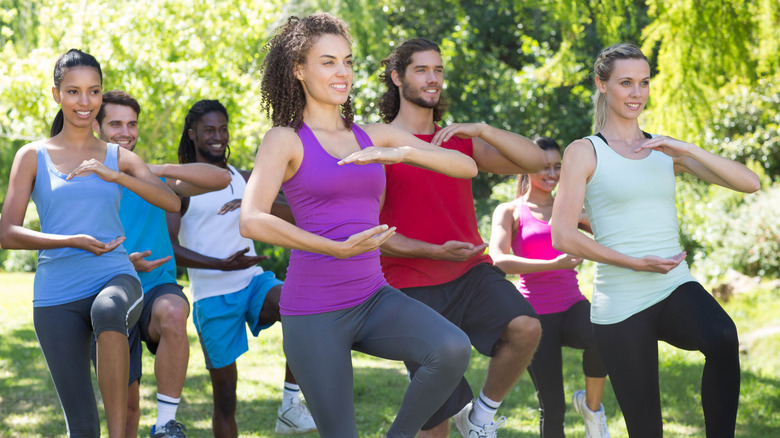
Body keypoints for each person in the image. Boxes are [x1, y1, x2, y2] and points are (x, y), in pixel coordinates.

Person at [240, 14, 478, 438]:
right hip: (314, 308)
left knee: (452, 348)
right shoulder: (285, 139)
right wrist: (332, 247)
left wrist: (401, 153)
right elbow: (251, 218)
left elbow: (466, 166)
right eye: (328, 62)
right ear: (299, 70)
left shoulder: (373, 136)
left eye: (347, 62)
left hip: (372, 296)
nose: (343, 72)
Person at [550, 43, 760, 438]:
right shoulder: (585, 151)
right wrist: (632, 262)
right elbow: (561, 235)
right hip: (622, 303)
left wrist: (686, 149)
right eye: (625, 83)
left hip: (673, 284)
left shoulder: (664, 150)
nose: (636, 93)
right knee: (647, 429)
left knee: (722, 336)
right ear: (602, 85)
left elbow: (750, 183)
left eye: (644, 83)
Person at [0, 49, 180, 437]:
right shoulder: (32, 155)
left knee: (109, 309)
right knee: (81, 426)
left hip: (113, 274)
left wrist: (116, 176)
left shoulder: (116, 156)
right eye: (74, 92)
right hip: (55, 294)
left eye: (93, 92)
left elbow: (171, 201)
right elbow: (7, 233)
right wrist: (72, 240)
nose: (85, 102)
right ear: (56, 94)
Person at [376, 38, 546, 437]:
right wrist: (435, 251)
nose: (433, 79)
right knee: (434, 430)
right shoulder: (378, 144)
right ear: (397, 77)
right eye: (421, 70)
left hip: (471, 274)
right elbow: (375, 235)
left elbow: (537, 161)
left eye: (438, 70)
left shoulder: (457, 141)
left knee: (526, 327)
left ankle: (481, 417)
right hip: (410, 287)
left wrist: (483, 128)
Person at [165, 99, 316, 437]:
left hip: (252, 282)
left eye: (222, 129)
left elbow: (296, 213)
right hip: (213, 298)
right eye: (209, 131)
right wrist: (220, 265)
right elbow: (170, 250)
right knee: (225, 401)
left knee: (298, 304)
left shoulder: (242, 177)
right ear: (192, 135)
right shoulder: (179, 186)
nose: (218, 136)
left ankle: (290, 406)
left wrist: (256, 203)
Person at [92, 90, 231, 438]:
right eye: (115, 124)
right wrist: (123, 262)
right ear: (96, 126)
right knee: (126, 413)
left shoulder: (152, 178)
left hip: (155, 287)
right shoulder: (83, 180)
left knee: (173, 312)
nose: (125, 132)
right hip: (109, 296)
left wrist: (153, 169)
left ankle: (166, 424)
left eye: (132, 124)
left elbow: (221, 178)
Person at [489, 136, 609, 437]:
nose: (552, 173)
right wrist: (554, 264)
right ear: (526, 167)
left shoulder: (569, 208)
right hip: (536, 318)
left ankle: (592, 408)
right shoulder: (510, 211)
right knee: (552, 407)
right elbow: (499, 260)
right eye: (544, 166)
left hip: (572, 306)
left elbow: (614, 231)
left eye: (557, 166)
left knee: (603, 335)